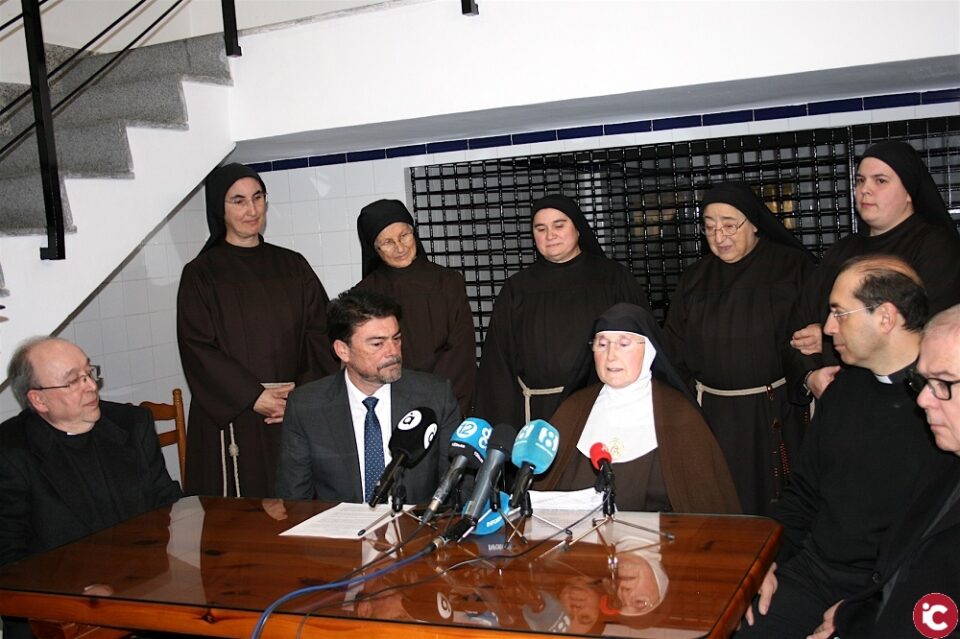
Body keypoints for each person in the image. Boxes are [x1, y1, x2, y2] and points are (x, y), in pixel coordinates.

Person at [738, 255, 954, 638]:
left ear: (885, 317)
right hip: (815, 573)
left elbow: (934, 553)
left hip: (891, 586)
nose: (826, 327)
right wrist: (765, 559)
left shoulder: (947, 410)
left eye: (839, 312)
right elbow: (803, 494)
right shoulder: (843, 389)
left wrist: (862, 610)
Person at [0, 337, 181, 639]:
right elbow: (8, 561)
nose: (91, 386)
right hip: (55, 615)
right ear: (39, 400)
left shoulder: (132, 424)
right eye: (73, 381)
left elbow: (168, 506)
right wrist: (77, 593)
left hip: (140, 595)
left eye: (89, 372)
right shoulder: (10, 452)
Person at [177, 163, 338, 499]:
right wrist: (255, 397)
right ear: (218, 209)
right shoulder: (200, 274)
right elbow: (199, 348)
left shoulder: (293, 265)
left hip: (290, 413)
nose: (251, 210)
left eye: (257, 197)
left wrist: (300, 397)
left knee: (297, 511)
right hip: (234, 414)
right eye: (238, 200)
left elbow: (320, 334)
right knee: (240, 526)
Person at [809, 304, 960, 639]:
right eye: (923, 381)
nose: (923, 400)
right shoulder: (947, 468)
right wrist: (854, 613)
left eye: (944, 383)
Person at [664, 182, 815, 515]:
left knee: (777, 507)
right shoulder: (694, 279)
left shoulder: (793, 267)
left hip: (774, 412)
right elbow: (674, 352)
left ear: (754, 222)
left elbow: (813, 335)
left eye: (729, 225)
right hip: (713, 416)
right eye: (709, 226)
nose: (719, 236)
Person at [789, 140, 960, 401]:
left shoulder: (935, 247)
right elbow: (797, 325)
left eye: (880, 181)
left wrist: (827, 341)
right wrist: (811, 375)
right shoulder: (842, 250)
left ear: (908, 192)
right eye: (860, 181)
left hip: (906, 397)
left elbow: (921, 326)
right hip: (840, 396)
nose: (865, 190)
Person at [537, 303, 741, 514]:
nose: (611, 356)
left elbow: (707, 513)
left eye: (624, 344)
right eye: (602, 344)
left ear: (650, 350)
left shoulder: (681, 415)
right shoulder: (572, 410)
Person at [475, 194, 649, 428]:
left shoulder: (613, 278)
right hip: (538, 415)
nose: (550, 235)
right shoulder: (517, 288)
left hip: (602, 407)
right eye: (541, 228)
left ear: (578, 229)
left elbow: (642, 346)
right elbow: (498, 365)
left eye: (559, 225)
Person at [275, 289, 459, 504]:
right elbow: (294, 500)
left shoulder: (435, 396)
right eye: (377, 343)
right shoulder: (306, 406)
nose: (393, 351)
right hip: (341, 533)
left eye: (396, 339)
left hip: (416, 531)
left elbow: (457, 488)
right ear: (343, 350)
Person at [354, 199, 476, 416]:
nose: (400, 248)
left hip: (447, 400)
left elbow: (461, 351)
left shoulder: (448, 282)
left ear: (414, 233)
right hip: (390, 405)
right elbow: (367, 359)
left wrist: (439, 400)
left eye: (404, 236)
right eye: (388, 242)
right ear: (374, 248)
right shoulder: (362, 295)